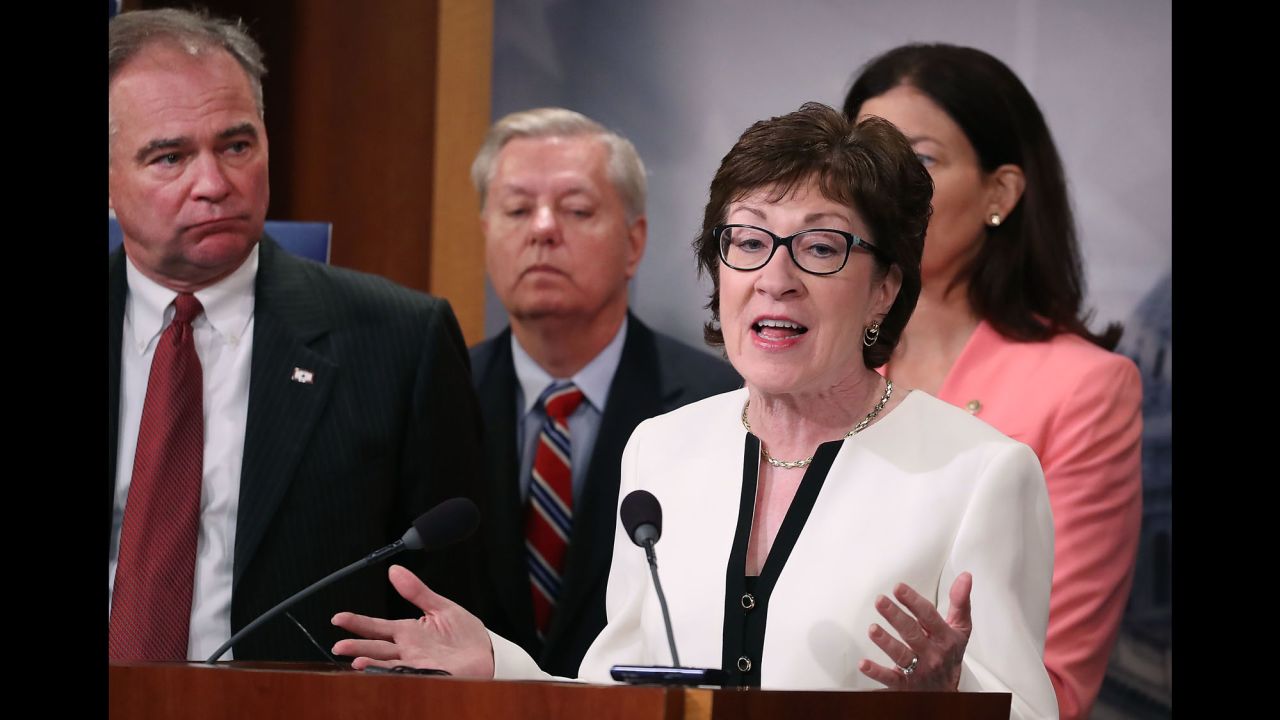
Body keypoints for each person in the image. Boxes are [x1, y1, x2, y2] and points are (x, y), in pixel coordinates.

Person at [332, 103, 1059, 719]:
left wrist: (949, 702)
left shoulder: (979, 476)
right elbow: (617, 695)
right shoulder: (663, 449)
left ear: (884, 289)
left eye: (820, 246)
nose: (776, 278)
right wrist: (502, 669)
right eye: (747, 241)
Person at [108, 8, 485, 662]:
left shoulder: (400, 343)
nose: (215, 184)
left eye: (236, 146)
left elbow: (464, 618)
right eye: (169, 157)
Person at [842, 43, 1142, 720]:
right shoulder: (815, 366)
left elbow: (1055, 681)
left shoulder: (1086, 389)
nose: (881, 186)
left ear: (999, 193)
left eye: (918, 159)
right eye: (862, 157)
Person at [467, 108, 740, 676]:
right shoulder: (443, 394)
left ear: (634, 243)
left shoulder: (715, 403)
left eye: (576, 209)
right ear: (485, 233)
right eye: (517, 209)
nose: (542, 229)